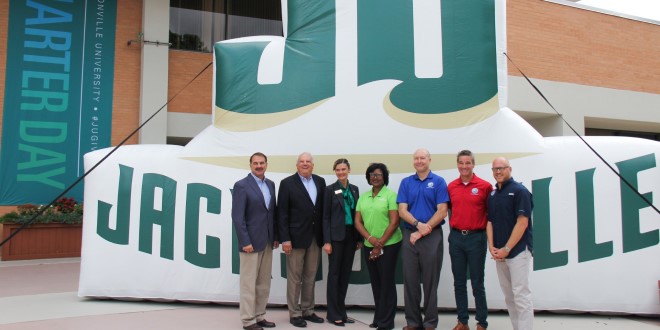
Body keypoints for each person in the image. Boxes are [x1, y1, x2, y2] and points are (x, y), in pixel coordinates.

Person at [397, 148, 450, 330]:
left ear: (429, 160)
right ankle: (412, 322)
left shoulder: (438, 182)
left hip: (431, 236)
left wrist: (422, 230)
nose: (419, 161)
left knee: (430, 281)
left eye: (422, 158)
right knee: (410, 281)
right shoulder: (406, 182)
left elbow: (442, 210)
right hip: (409, 235)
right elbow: (402, 210)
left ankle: (429, 323)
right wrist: (417, 224)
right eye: (416, 158)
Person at [278, 152, 326, 328]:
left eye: (308, 162)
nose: (305, 164)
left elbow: (321, 211)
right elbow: (282, 213)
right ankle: (295, 313)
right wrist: (285, 239)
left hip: (315, 237)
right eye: (302, 162)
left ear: (313, 165)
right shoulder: (287, 183)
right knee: (294, 277)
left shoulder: (320, 182)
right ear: (297, 165)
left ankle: (308, 310)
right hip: (295, 238)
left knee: (310, 276)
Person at [231, 152, 279, 330]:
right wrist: (245, 241)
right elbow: (237, 217)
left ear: (266, 164)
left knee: (263, 283)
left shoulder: (271, 184)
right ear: (250, 165)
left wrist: (275, 237)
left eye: (262, 163)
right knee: (248, 284)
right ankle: (248, 320)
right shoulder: (242, 185)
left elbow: (271, 213)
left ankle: (260, 315)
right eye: (255, 163)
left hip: (267, 241)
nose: (259, 166)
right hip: (250, 243)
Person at [486, 157, 534, 330]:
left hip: (518, 252)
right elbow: (489, 222)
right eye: (495, 169)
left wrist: (507, 248)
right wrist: (491, 247)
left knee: (521, 296)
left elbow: (522, 223)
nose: (498, 172)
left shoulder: (520, 191)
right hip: (500, 254)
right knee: (509, 297)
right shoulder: (493, 194)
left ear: (510, 169)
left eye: (502, 168)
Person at [447, 150, 493, 330]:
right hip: (457, 238)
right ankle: (462, 321)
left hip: (477, 238)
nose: (464, 166)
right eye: (461, 163)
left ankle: (481, 322)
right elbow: (449, 210)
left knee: (477, 283)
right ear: (457, 164)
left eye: (468, 163)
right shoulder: (451, 186)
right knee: (459, 282)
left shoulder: (484, 186)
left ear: (473, 164)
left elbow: (490, 215)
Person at [354, 163, 402, 330]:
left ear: (385, 177)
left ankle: (387, 322)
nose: (375, 177)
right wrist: (370, 239)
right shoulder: (363, 197)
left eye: (379, 174)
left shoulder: (390, 195)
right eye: (371, 174)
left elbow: (395, 222)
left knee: (387, 282)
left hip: (389, 245)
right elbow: (357, 222)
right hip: (369, 245)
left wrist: (379, 243)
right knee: (376, 282)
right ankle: (379, 317)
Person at [322, 158, 360, 326]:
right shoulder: (329, 190)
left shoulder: (354, 189)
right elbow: (325, 217)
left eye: (344, 169)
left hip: (351, 237)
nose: (341, 172)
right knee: (334, 275)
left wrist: (359, 239)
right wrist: (327, 241)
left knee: (345, 275)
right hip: (336, 238)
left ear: (349, 170)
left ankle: (342, 312)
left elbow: (358, 216)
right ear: (335, 171)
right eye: (338, 170)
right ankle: (332, 313)